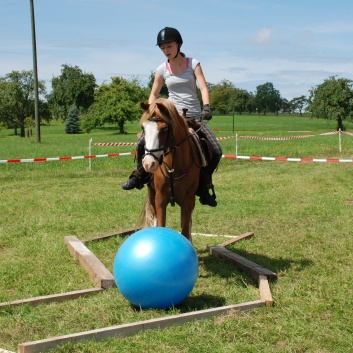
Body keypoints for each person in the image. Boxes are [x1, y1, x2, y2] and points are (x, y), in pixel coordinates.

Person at [122, 27, 222, 207]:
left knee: (215, 151)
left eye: (169, 46)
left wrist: (206, 107)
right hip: (170, 117)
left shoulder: (193, 64)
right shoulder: (162, 69)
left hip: (193, 116)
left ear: (179, 44)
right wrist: (151, 111)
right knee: (141, 143)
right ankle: (138, 175)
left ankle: (204, 187)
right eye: (163, 48)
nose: (166, 50)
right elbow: (154, 94)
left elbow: (204, 87)